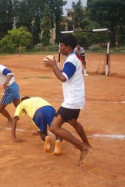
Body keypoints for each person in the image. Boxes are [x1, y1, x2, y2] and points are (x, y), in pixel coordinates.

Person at [43, 34, 92, 166]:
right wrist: (55, 67)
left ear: (68, 47)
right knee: (73, 122)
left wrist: (54, 66)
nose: (60, 48)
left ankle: (83, 148)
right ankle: (86, 143)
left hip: (72, 101)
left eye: (62, 46)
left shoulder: (71, 60)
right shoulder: (73, 59)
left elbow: (63, 77)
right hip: (75, 99)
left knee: (54, 127)